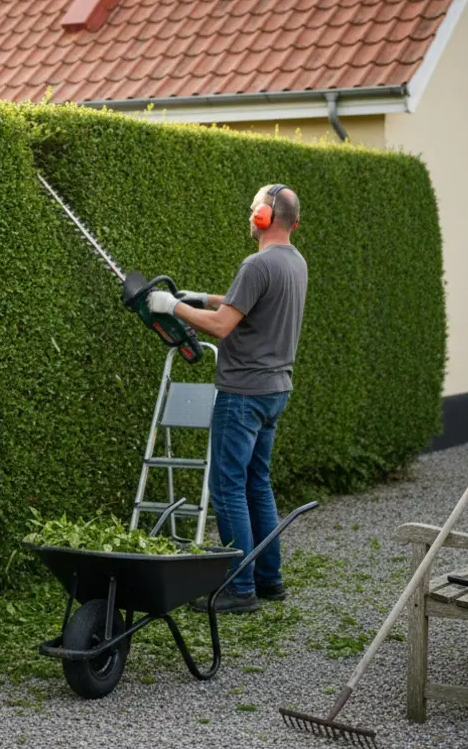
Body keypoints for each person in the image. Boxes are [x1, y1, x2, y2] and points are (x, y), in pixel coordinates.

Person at [147, 183, 308, 614]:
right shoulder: (295, 262)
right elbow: (240, 306)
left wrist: (171, 306)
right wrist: (197, 298)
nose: (250, 210)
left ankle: (239, 590)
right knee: (257, 484)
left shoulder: (257, 264)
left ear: (265, 216)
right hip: (275, 391)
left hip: (242, 393)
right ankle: (269, 579)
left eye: (256, 204)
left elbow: (220, 326)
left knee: (227, 487)